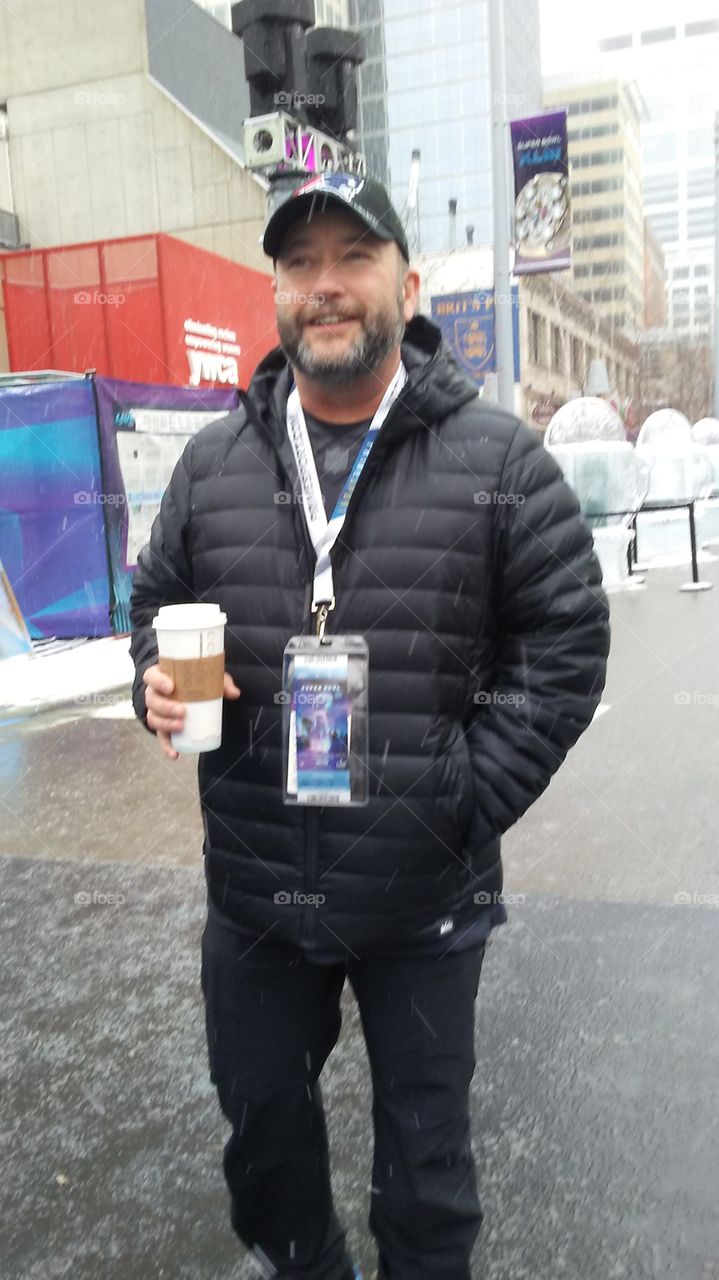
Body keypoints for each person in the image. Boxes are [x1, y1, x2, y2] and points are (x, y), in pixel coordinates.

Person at [130, 172, 610, 1280]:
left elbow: (565, 641)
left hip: (423, 900)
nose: (326, 286)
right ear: (277, 291)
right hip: (254, 892)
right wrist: (155, 674)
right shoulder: (212, 467)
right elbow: (153, 601)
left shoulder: (497, 462)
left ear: (407, 277)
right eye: (300, 264)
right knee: (262, 1141)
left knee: (427, 1173)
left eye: (353, 256)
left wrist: (458, 794)